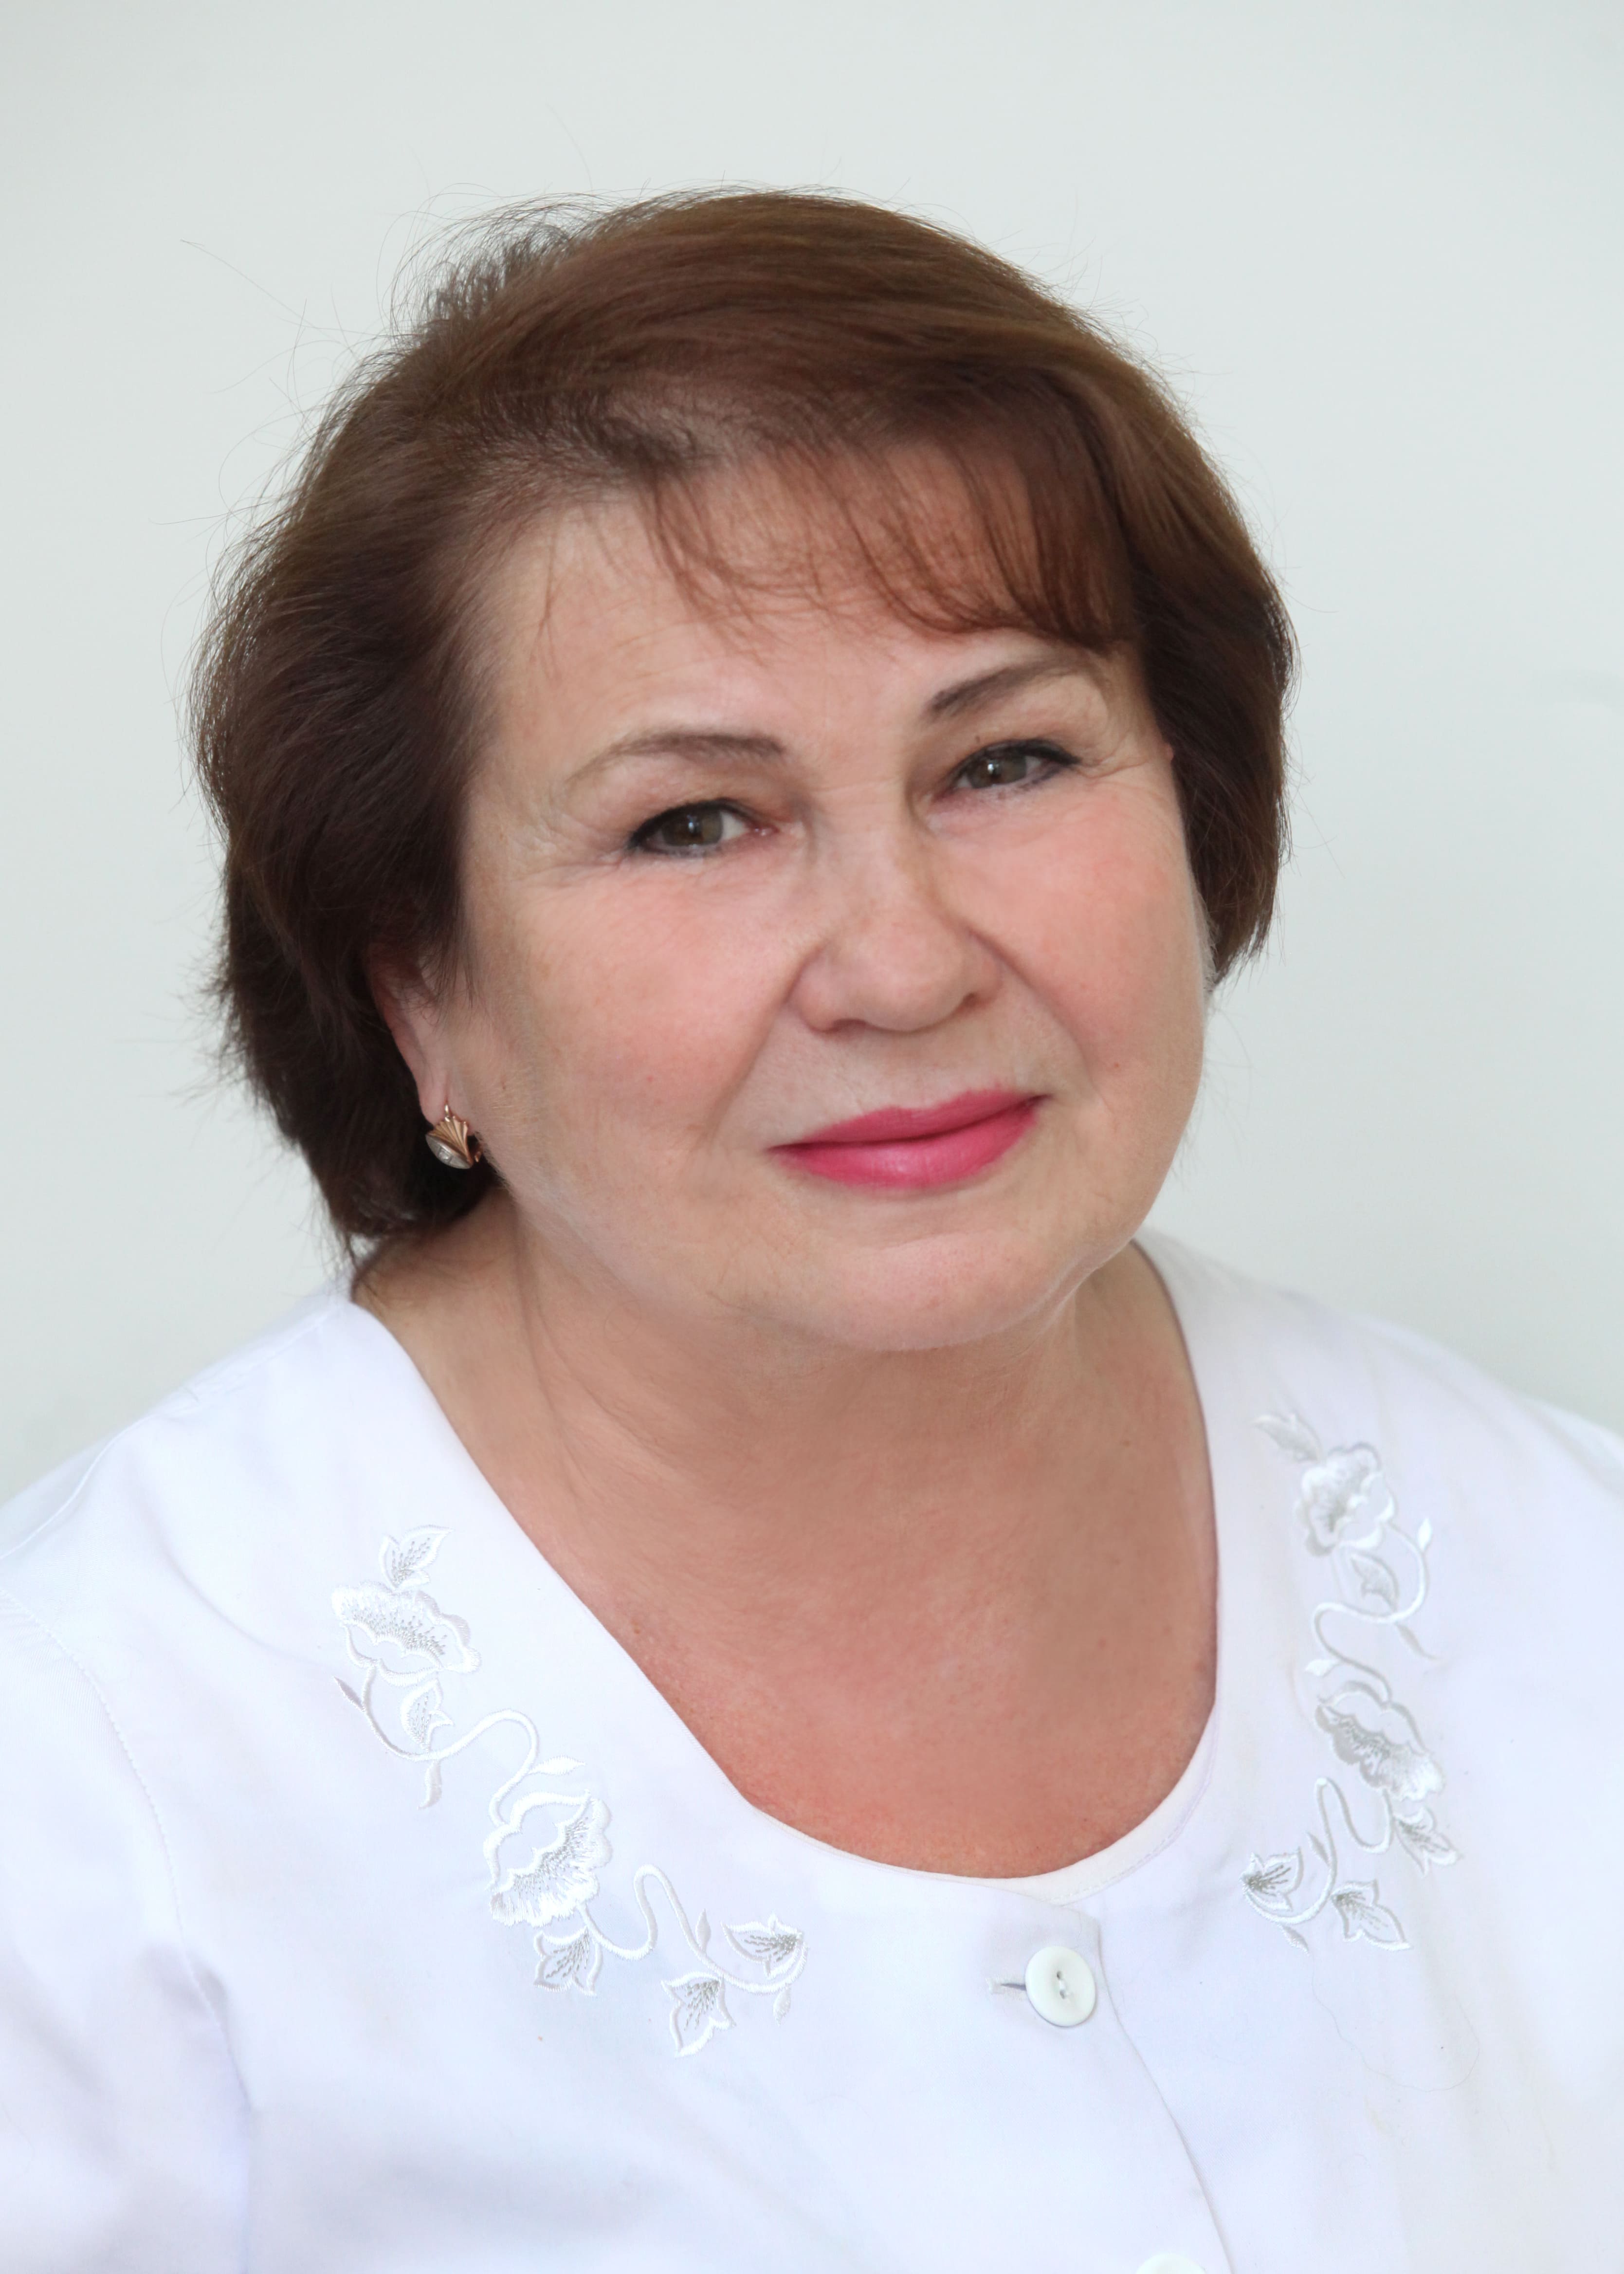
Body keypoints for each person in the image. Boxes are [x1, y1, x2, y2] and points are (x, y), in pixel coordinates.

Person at [1, 190, 1619, 2274]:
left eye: (1005, 760)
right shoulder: (88, 1778)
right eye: (695, 822)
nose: (901, 963)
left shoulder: (1563, 1582)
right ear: (421, 986)